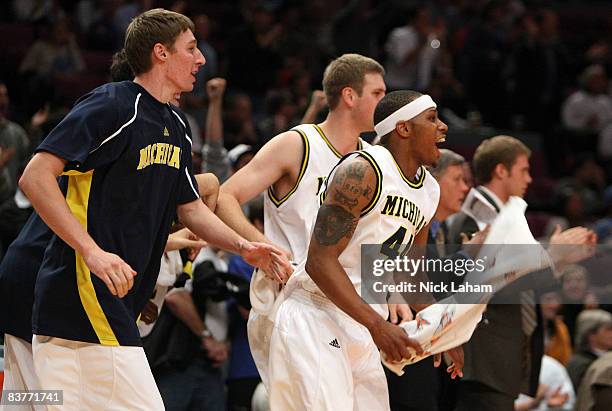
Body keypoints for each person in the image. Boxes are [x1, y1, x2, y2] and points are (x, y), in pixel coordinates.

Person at [17, 9, 289, 410]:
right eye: (191, 49)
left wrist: (243, 247)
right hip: (82, 296)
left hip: (110, 304)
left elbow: (193, 209)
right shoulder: (112, 104)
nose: (201, 59)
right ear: (160, 53)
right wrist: (92, 252)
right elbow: (34, 177)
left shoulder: (176, 125)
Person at [267, 90, 457, 410]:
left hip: (362, 324)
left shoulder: (429, 189)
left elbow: (410, 274)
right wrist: (377, 325)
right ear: (403, 128)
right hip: (316, 314)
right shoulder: (363, 169)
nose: (443, 127)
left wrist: (444, 331)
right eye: (432, 118)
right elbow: (319, 261)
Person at [215, 53, 388, 385]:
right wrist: (265, 248)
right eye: (377, 93)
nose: (385, 102)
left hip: (349, 305)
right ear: (349, 96)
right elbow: (225, 196)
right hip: (296, 298)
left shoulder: (374, 160)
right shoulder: (298, 144)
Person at [447, 135, 596, 410]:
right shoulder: (474, 218)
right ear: (501, 171)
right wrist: (551, 257)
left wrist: (559, 261)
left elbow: (522, 281)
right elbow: (486, 286)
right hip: (483, 356)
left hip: (504, 354)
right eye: (524, 170)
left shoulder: (509, 218)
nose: (529, 179)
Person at [386, 148, 472, 411]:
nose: (465, 188)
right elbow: (407, 278)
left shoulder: (445, 230)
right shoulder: (403, 222)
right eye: (457, 179)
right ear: (433, 180)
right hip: (402, 351)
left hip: (433, 350)